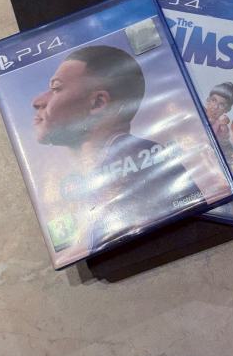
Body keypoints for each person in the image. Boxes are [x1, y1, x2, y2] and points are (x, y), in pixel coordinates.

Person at [32, 45, 202, 251]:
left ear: (97, 103)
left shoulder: (141, 159)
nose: (38, 101)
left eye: (56, 88)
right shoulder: (95, 170)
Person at [204, 81, 233, 147]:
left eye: (221, 105)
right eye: (213, 100)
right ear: (208, 100)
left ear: (227, 109)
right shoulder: (196, 110)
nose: (215, 107)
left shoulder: (222, 128)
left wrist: (220, 125)